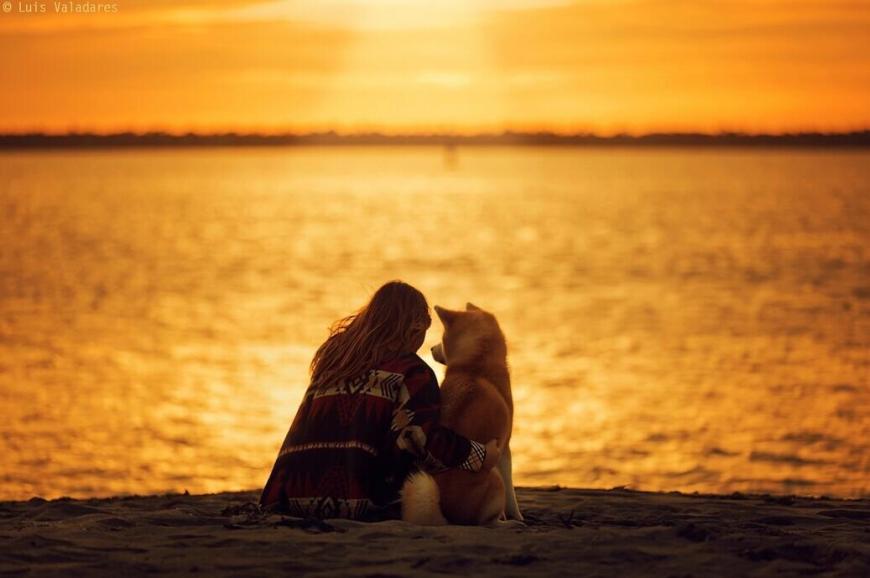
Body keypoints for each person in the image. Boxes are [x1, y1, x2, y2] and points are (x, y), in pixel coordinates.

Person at [259, 281, 500, 520]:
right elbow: (424, 439)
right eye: (423, 334)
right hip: (357, 503)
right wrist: (481, 456)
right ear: (414, 328)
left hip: (287, 498)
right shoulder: (412, 371)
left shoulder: (334, 357)